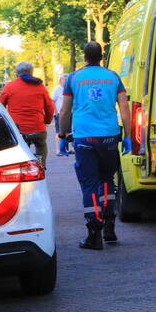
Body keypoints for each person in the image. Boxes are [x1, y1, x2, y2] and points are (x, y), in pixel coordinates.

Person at [58, 42, 131, 250]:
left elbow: (65, 111)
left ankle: (94, 233)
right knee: (107, 179)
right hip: (109, 136)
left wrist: (62, 135)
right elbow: (124, 107)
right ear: (102, 56)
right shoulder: (113, 77)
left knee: (89, 184)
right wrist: (128, 135)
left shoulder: (73, 78)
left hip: (84, 137)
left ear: (84, 56)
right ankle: (109, 227)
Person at [0, 62, 56, 169]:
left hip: (19, 130)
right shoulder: (40, 86)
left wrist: (4, 123)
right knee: (41, 146)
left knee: (22, 153)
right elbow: (49, 107)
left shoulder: (10, 87)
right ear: (31, 72)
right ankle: (40, 167)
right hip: (38, 128)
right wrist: (47, 121)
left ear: (16, 73)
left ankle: (25, 170)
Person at [51, 74, 70, 157]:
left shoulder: (69, 88)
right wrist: (56, 112)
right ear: (60, 80)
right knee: (59, 132)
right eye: (64, 79)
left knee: (68, 132)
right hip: (59, 113)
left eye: (67, 79)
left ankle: (67, 149)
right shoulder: (57, 89)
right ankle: (58, 150)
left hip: (69, 113)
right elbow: (52, 101)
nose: (66, 81)